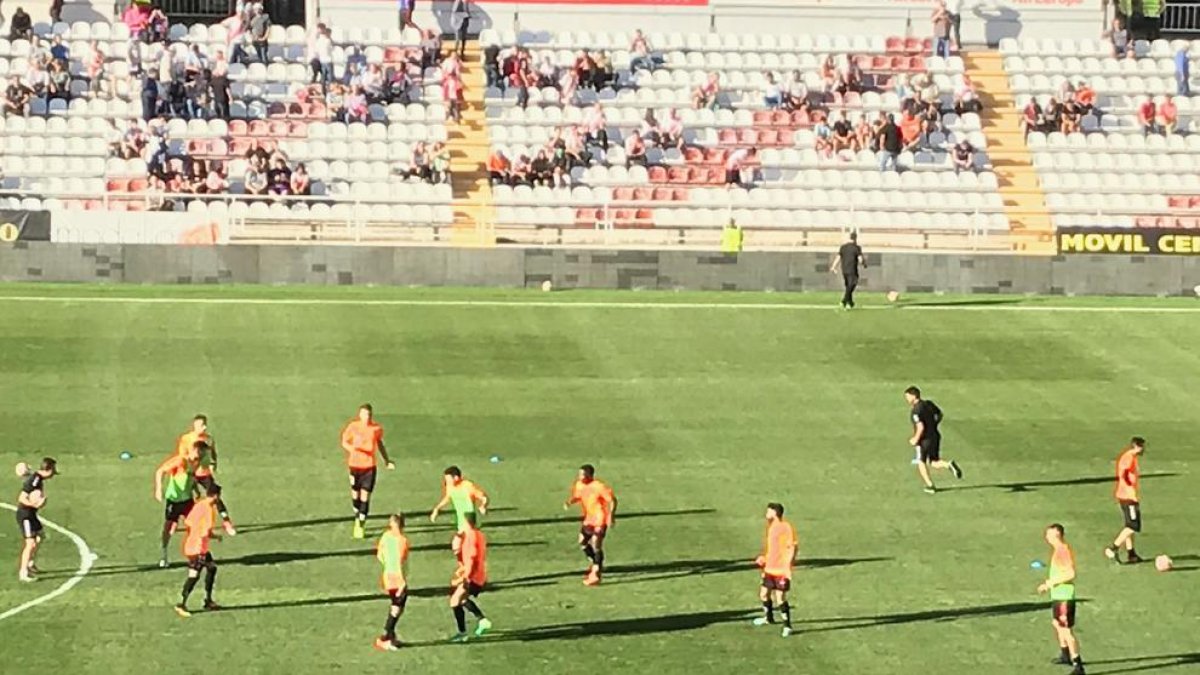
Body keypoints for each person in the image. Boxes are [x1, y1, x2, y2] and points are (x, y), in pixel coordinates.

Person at [341, 403, 395, 539]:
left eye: (369, 415)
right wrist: (352, 449)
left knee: (365, 496)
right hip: (354, 465)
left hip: (369, 467)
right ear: (360, 415)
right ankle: (356, 515)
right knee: (355, 495)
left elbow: (379, 444)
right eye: (364, 414)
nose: (367, 417)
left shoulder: (376, 429)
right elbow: (344, 441)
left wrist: (386, 460)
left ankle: (361, 524)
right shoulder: (353, 426)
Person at [175, 415, 236, 536]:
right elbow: (182, 456)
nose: (204, 427)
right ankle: (175, 522)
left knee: (215, 497)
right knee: (183, 499)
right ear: (195, 426)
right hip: (190, 473)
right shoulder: (186, 439)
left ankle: (227, 522)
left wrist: (213, 464)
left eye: (205, 425)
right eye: (201, 425)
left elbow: (213, 454)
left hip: (204, 474)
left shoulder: (208, 439)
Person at [1038, 524, 1086, 675]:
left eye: (1049, 534)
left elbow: (1071, 573)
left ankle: (1078, 665)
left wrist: (1050, 584)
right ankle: (1065, 654)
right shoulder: (1058, 550)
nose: (1046, 537)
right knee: (1057, 624)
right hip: (1058, 596)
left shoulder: (1062, 551)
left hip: (1064, 597)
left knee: (1066, 631)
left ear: (1056, 535)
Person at [564, 464, 617, 586]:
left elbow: (612, 500)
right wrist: (570, 501)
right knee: (582, 541)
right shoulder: (579, 484)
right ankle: (595, 563)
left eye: (583, 474)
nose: (580, 477)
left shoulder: (599, 486)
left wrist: (611, 516)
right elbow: (578, 496)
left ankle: (596, 573)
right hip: (589, 519)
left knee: (596, 544)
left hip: (600, 519)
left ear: (590, 475)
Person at [904, 386, 963, 494]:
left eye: (907, 397)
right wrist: (934, 425)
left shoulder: (916, 411)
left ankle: (930, 486)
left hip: (924, 439)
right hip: (935, 436)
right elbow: (939, 414)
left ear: (913, 396)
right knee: (933, 461)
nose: (907, 399)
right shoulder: (928, 404)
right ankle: (949, 465)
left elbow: (920, 427)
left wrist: (915, 439)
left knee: (921, 461)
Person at [175, 485, 222, 617]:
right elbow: (206, 531)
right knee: (194, 575)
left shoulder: (199, 505)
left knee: (212, 568)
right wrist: (214, 536)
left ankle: (208, 600)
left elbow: (188, 522)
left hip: (192, 545)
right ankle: (181, 603)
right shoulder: (208, 509)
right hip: (198, 548)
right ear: (216, 496)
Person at [752, 502, 796, 638]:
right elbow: (773, 549)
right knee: (764, 594)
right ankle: (768, 618)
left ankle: (787, 625)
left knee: (780, 598)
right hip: (769, 568)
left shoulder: (785, 527)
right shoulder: (771, 527)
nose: (766, 513)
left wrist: (788, 565)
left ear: (775, 513)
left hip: (781, 570)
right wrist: (764, 558)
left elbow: (792, 547)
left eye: (768, 511)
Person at [155, 442, 201, 568]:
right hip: (174, 500)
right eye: (197, 453)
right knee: (169, 528)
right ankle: (164, 554)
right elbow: (160, 471)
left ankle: (194, 554)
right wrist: (159, 489)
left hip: (187, 500)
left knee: (194, 526)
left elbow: (192, 478)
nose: (198, 456)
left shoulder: (197, 462)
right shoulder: (180, 461)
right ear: (191, 451)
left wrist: (195, 490)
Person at [449, 512, 492, 642]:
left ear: (466, 522)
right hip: (478, 575)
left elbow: (472, 558)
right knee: (462, 600)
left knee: (454, 601)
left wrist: (465, 577)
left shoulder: (471, 537)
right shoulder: (479, 534)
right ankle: (482, 620)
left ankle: (462, 633)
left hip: (473, 577)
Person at [14, 458, 57, 582]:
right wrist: (36, 504)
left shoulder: (38, 478)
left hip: (31, 514)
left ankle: (30, 563)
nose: (54, 473)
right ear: (48, 469)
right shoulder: (35, 480)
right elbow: (21, 498)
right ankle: (23, 572)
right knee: (30, 543)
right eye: (53, 470)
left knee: (40, 537)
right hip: (25, 515)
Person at [1105, 437, 1146, 565]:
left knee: (1129, 525)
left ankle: (1131, 553)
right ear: (1137, 446)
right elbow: (1124, 474)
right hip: (1128, 497)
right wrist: (1129, 488)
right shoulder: (1128, 457)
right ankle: (1113, 548)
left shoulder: (1129, 457)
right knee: (1133, 525)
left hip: (1124, 496)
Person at [374, 513, 411, 651]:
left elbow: (379, 555)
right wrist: (402, 582)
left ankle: (391, 636)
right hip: (397, 578)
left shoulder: (385, 536)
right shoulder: (403, 541)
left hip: (387, 576)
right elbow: (401, 562)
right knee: (396, 608)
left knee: (397, 607)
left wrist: (387, 566)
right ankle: (384, 638)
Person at [430, 466, 489, 532]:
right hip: (460, 521)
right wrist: (437, 508)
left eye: (448, 479)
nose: (446, 482)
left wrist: (483, 506)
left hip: (470, 519)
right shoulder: (450, 487)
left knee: (460, 540)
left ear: (456, 478)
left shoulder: (468, 486)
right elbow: (448, 498)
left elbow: (484, 497)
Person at [829, 232, 865, 309]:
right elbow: (860, 259)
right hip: (852, 269)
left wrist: (833, 266)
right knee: (852, 284)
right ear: (855, 238)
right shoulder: (857, 248)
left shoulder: (843, 247)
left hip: (844, 269)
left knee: (848, 286)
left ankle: (850, 302)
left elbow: (838, 257)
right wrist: (864, 264)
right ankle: (844, 301)